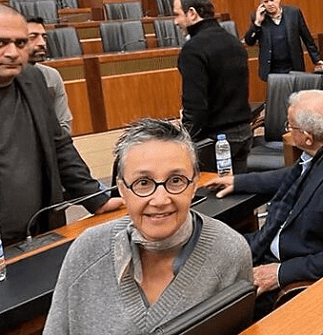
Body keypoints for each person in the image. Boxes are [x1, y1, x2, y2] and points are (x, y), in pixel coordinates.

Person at [43, 118, 252, 335]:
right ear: (122, 189)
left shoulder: (229, 252)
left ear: (194, 184)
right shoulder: (86, 251)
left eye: (176, 180)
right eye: (143, 183)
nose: (160, 199)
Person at [0, 4, 122, 261]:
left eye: (21, 42)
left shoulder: (33, 79)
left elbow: (59, 146)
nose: (13, 52)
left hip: (40, 234)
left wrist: (96, 198)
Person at [204, 89, 323, 316]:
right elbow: (290, 176)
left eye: (290, 126)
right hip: (269, 243)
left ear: (307, 137)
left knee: (211, 302)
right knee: (207, 252)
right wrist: (238, 181)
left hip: (288, 268)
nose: (286, 130)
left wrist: (279, 274)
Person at [174, 0, 252, 173]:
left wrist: (182, 141)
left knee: (213, 198)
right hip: (244, 134)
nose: (175, 22)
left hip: (216, 142)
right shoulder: (234, 42)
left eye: (177, 15)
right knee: (237, 195)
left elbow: (196, 108)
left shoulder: (193, 50)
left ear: (192, 13)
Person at [244, 0, 323, 81]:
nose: (270, 4)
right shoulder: (257, 17)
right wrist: (257, 23)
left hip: (293, 67)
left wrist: (316, 60)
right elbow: (249, 41)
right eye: (266, 2)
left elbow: (307, 37)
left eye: (272, 0)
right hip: (272, 71)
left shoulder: (293, 13)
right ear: (262, 4)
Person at [26, 16, 73, 135]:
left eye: (44, 37)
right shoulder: (3, 78)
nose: (42, 43)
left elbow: (64, 125)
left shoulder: (52, 76)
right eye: (33, 37)